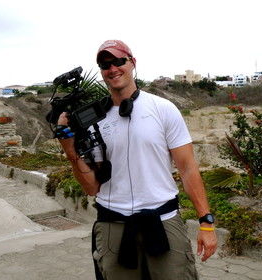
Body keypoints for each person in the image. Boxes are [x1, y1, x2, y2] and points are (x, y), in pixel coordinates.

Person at [56, 39, 217, 280]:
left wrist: (206, 222)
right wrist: (69, 149)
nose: (113, 69)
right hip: (113, 226)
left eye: (119, 61)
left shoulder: (163, 109)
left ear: (132, 63)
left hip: (163, 222)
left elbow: (188, 169)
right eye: (105, 65)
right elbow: (91, 187)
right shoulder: (93, 120)